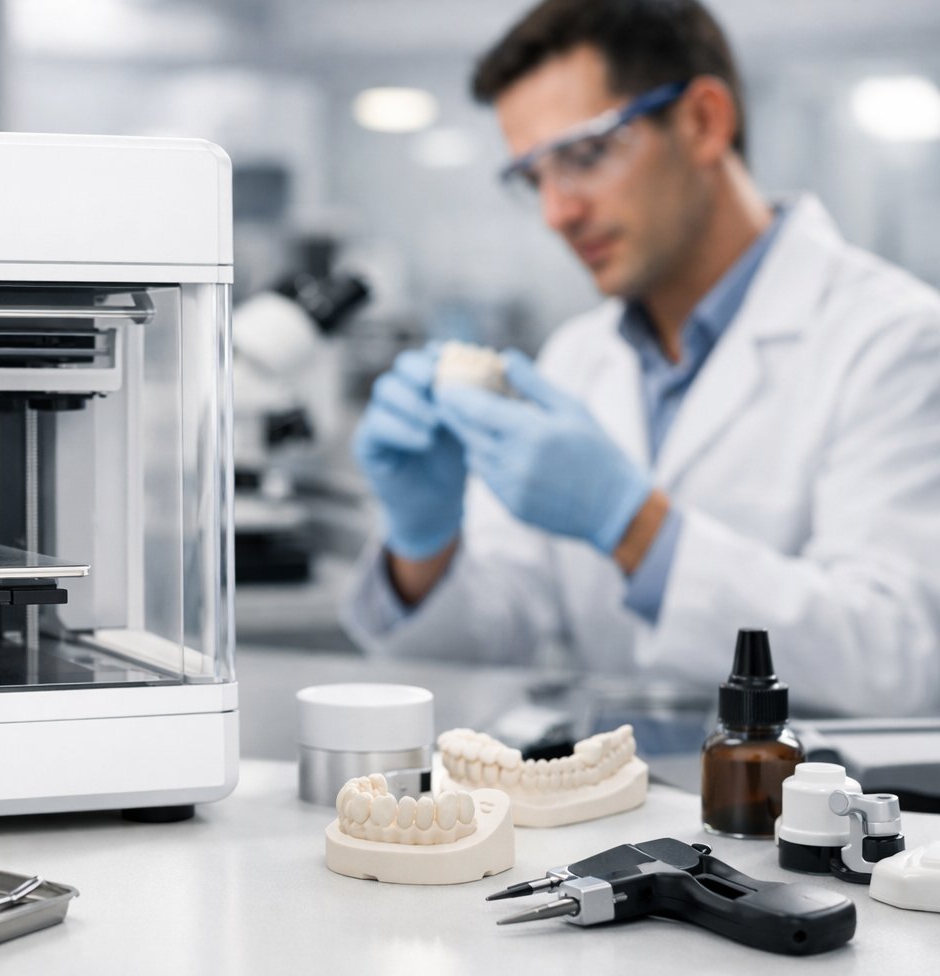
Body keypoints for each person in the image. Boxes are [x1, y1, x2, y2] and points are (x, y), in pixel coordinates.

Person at [340, 0, 940, 717]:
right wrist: (424, 546)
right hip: (614, 818)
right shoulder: (576, 357)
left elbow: (896, 658)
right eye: (533, 179)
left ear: (703, 122)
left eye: (585, 154)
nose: (557, 211)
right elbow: (498, 642)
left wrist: (636, 528)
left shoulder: (897, 340)